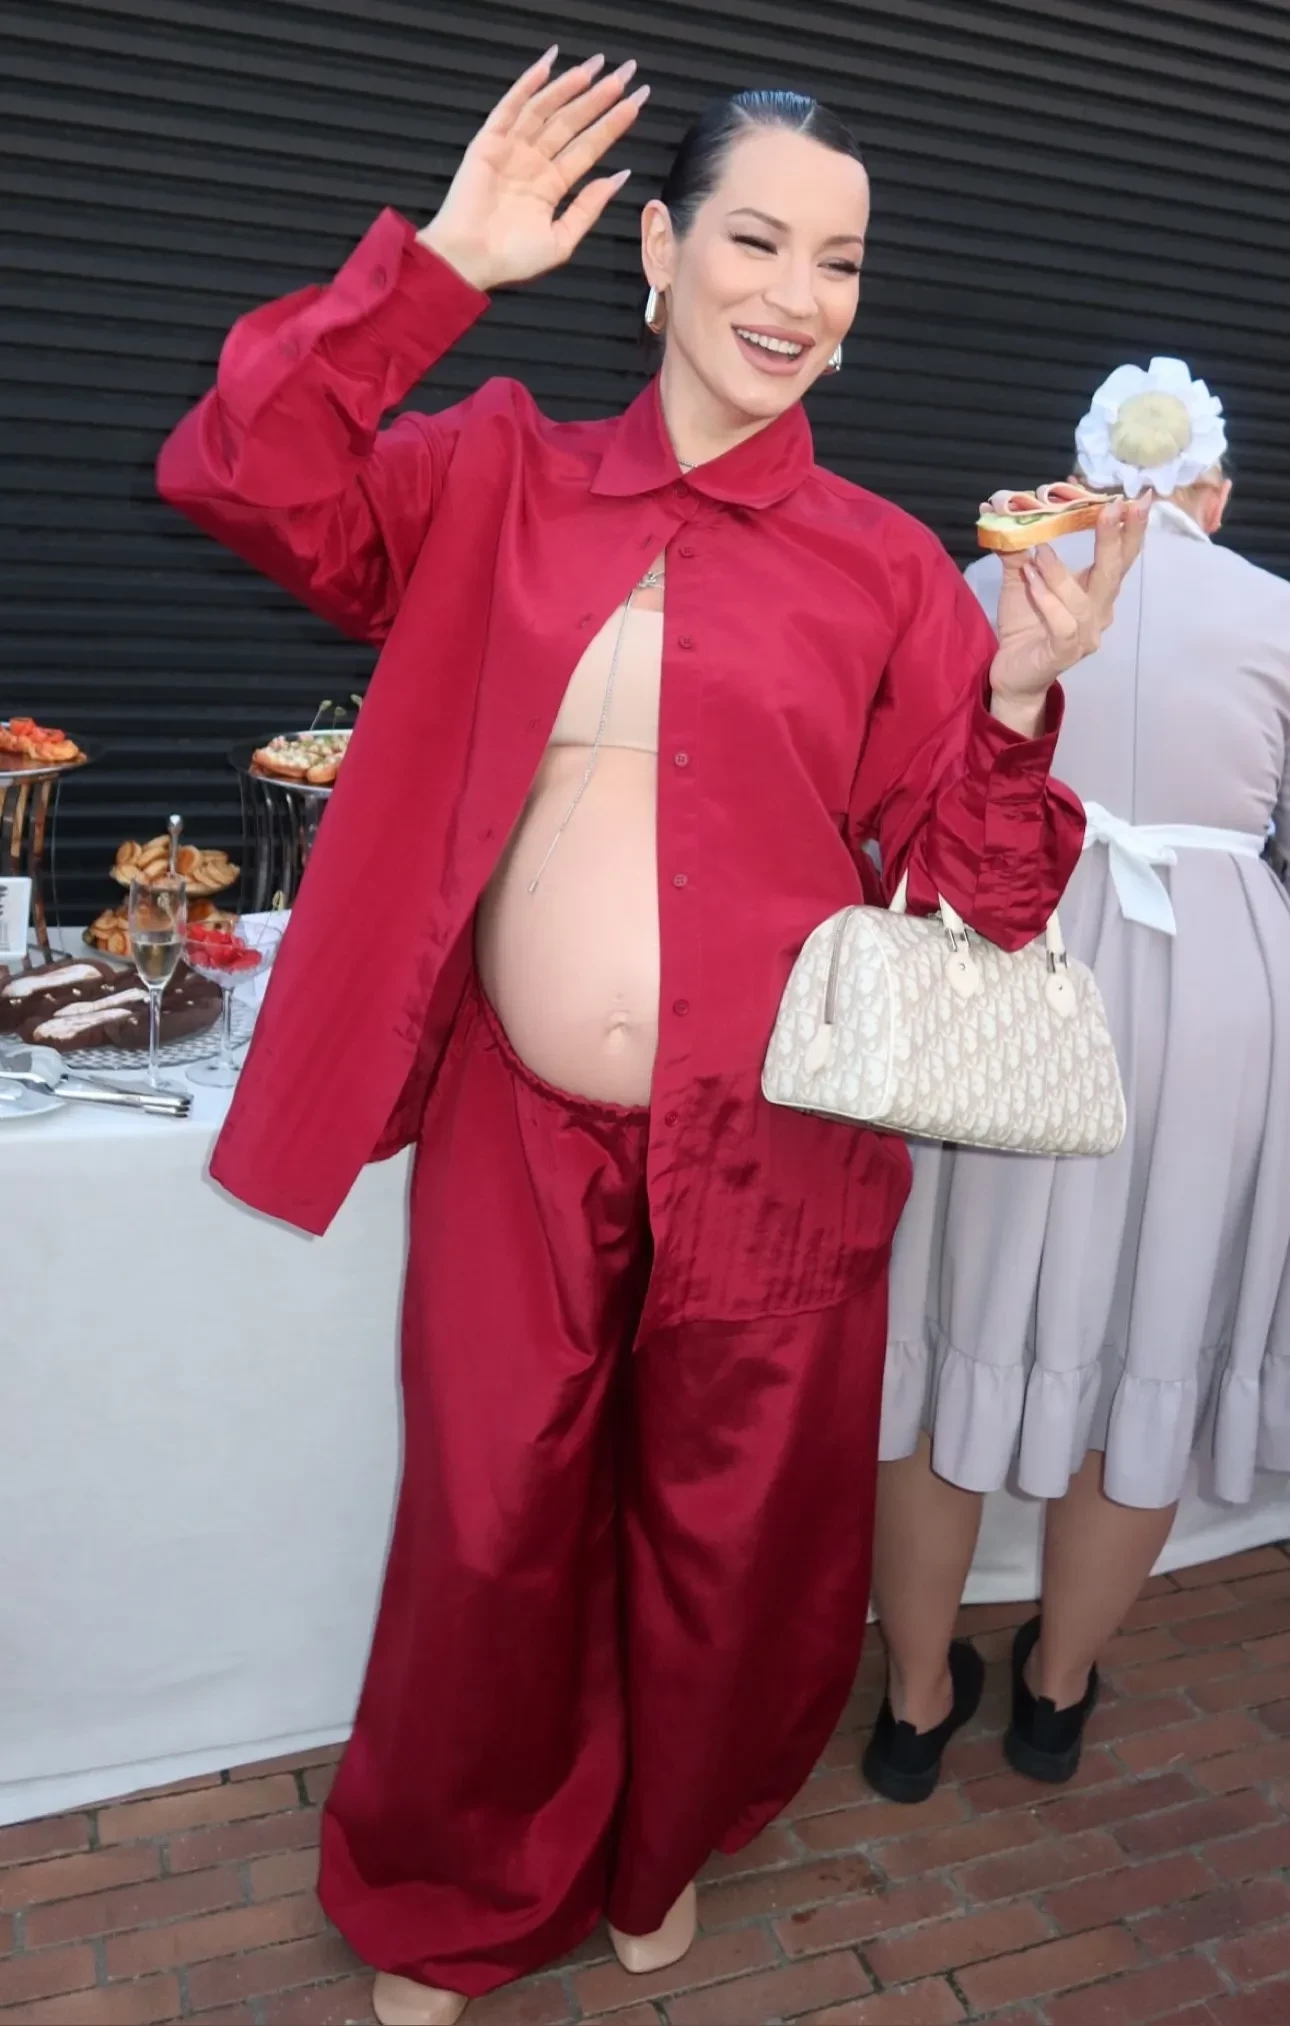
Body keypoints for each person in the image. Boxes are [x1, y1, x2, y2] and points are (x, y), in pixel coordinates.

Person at [156, 49, 1145, 2025]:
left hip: (777, 1144)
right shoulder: (496, 471)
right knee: (488, 1522)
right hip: (518, 1126)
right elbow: (243, 473)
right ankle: (453, 1892)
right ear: (656, 251)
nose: (797, 295)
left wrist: (1024, 697)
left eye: (839, 262)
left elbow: (984, 885)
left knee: (725, 1534)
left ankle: (659, 1838)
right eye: (756, 241)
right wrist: (439, 268)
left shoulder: (885, 564)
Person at [866, 357, 1290, 1809]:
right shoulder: (1273, 610)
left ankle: (915, 1704)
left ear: (1076, 481)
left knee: (945, 1329)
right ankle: (1054, 1692)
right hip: (1215, 990)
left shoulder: (979, 584)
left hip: (1007, 952)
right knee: (1153, 1331)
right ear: (1212, 495)